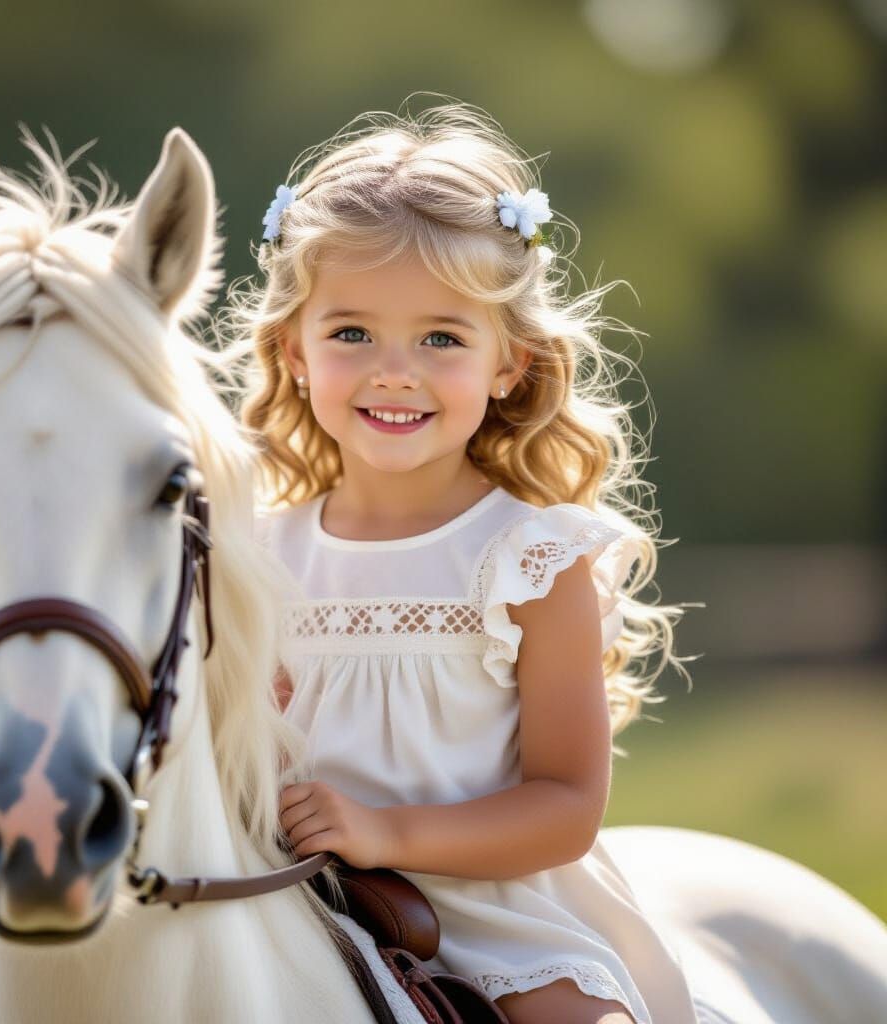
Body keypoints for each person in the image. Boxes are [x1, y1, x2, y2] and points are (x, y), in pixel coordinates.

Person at [231, 100, 701, 1024]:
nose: (394, 371)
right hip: (286, 904)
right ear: (294, 350)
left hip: (495, 919)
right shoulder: (252, 557)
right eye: (351, 333)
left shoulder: (531, 562)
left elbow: (567, 806)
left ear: (508, 364)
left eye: (441, 338)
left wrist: (385, 832)